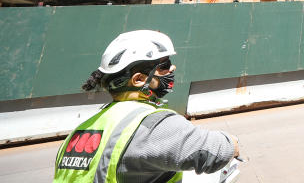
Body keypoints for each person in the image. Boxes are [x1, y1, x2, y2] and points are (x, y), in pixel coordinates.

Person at [53, 30, 239, 182]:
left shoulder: (80, 130)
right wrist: (232, 141)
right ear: (139, 80)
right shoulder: (151, 124)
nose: (172, 69)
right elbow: (219, 151)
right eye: (165, 65)